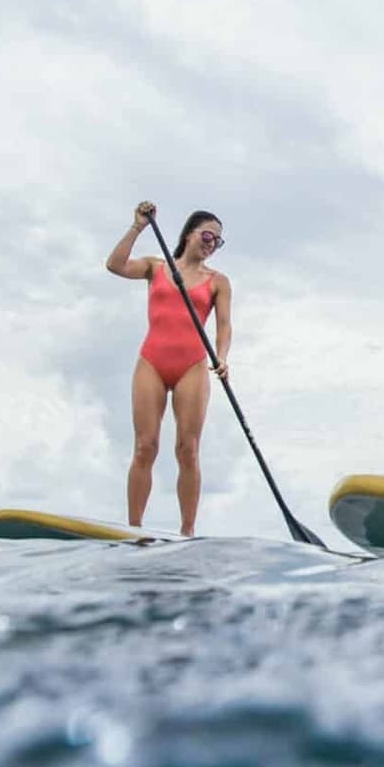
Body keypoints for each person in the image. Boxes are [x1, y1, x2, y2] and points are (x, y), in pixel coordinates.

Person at [105, 202, 233, 534]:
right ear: (189, 233)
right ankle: (134, 531)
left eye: (217, 241)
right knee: (145, 446)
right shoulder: (156, 267)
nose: (211, 243)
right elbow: (114, 265)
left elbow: (223, 327)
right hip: (152, 363)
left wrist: (221, 357)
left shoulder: (218, 281)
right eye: (208, 235)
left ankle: (187, 532)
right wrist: (139, 226)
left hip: (191, 366)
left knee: (187, 450)